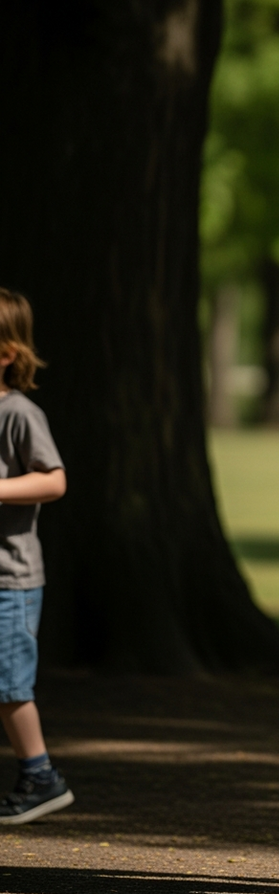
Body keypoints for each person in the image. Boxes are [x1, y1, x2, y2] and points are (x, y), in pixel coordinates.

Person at [0, 288, 71, 826]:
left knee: (8, 684)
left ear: (8, 353)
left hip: (11, 580)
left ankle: (40, 774)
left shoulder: (20, 413)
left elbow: (54, 479)